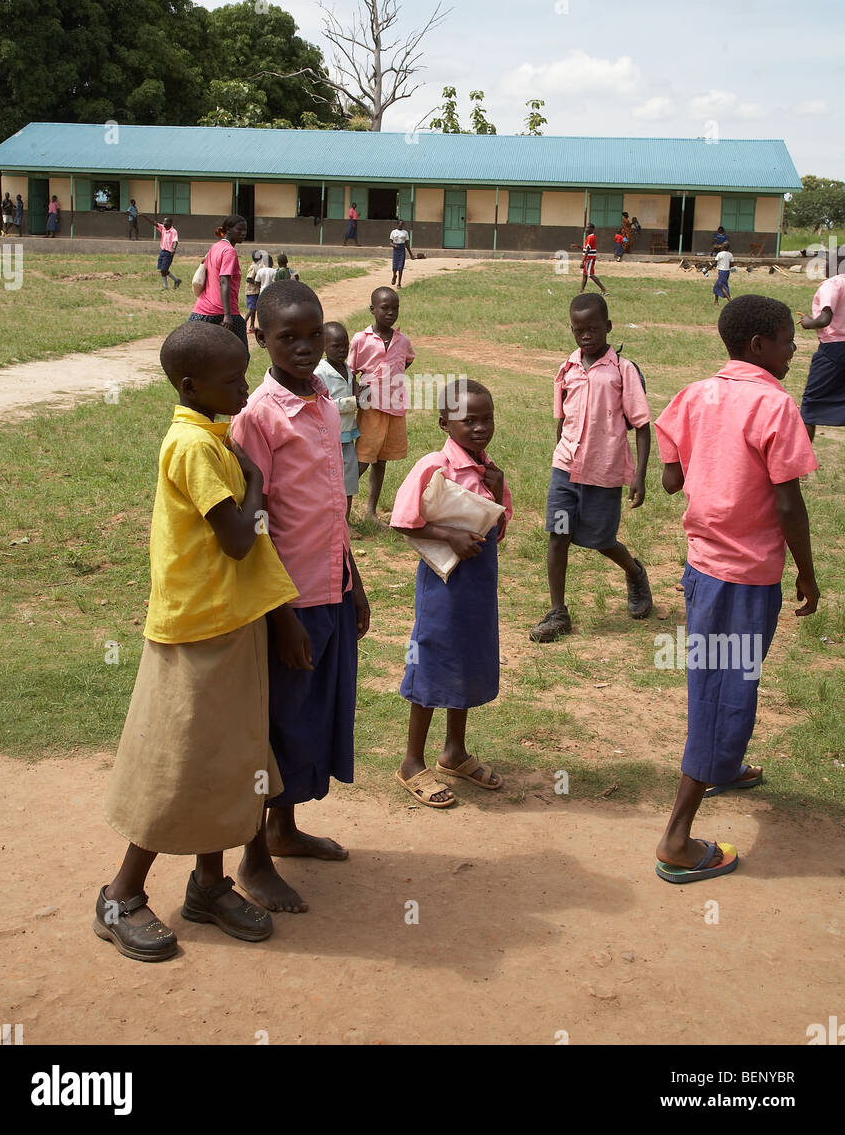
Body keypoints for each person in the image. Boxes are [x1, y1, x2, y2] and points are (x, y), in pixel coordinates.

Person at [96, 321, 300, 961]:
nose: (244, 386)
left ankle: (209, 885)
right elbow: (240, 538)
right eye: (232, 379)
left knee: (229, 759)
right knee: (180, 764)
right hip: (196, 630)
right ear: (190, 386)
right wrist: (258, 478)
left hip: (231, 621)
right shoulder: (193, 447)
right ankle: (120, 892)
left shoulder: (213, 437)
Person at [653, 295, 819, 883]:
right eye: (785, 338)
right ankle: (676, 838)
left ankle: (723, 765)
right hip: (744, 578)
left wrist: (692, 470)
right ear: (759, 346)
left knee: (720, 683)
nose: (795, 347)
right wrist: (807, 568)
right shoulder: (775, 406)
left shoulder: (697, 393)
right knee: (724, 694)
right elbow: (786, 500)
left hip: (703, 570)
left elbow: (671, 473)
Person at [230, 280, 371, 914]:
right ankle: (254, 858)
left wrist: (354, 578)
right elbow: (256, 522)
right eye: (288, 337)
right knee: (280, 726)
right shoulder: (257, 416)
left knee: (315, 718)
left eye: (314, 334)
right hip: (288, 603)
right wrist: (282, 614)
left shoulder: (324, 399)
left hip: (330, 588)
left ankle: (285, 831)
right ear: (260, 337)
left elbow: (330, 507)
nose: (305, 347)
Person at [391, 379, 512, 807]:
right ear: (445, 423)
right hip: (443, 584)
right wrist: (449, 536)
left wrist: (497, 490)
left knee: (467, 660)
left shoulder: (490, 469)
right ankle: (411, 761)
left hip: (478, 585)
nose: (480, 428)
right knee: (433, 660)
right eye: (469, 420)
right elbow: (405, 520)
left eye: (487, 419)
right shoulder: (433, 467)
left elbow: (499, 525)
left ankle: (455, 752)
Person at [530, 294, 652, 641]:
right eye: (578, 329)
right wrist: (559, 457)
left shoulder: (622, 370)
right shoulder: (566, 369)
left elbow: (641, 425)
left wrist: (639, 475)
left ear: (608, 327)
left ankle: (634, 571)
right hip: (566, 469)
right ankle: (558, 612)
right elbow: (563, 419)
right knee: (559, 534)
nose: (586, 335)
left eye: (593, 328)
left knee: (600, 539)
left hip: (604, 472)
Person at [349, 286, 416, 519]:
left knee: (382, 459)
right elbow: (350, 371)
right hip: (371, 408)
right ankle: (337, 503)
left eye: (395, 308)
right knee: (363, 459)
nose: (391, 313)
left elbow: (407, 361)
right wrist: (360, 392)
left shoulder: (403, 340)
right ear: (372, 309)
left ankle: (370, 511)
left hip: (395, 408)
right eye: (385, 308)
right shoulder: (361, 339)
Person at [314, 321, 360, 518]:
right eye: (336, 346)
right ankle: (330, 520)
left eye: (345, 346)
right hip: (330, 437)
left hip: (348, 434)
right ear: (323, 347)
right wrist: (354, 402)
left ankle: (345, 523)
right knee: (329, 482)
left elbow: (352, 386)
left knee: (348, 481)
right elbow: (324, 403)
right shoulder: (320, 372)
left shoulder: (346, 367)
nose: (342, 350)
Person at [798, 259, 845, 442]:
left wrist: (808, 322)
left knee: (810, 405)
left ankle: (801, 463)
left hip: (833, 349)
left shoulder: (832, 284)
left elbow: (825, 319)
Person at [190, 215, 247, 352]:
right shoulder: (229, 251)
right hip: (222, 313)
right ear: (228, 229)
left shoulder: (214, 247)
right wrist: (227, 316)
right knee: (242, 356)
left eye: (245, 230)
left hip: (200, 311)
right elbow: (224, 281)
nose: (243, 233)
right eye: (239, 229)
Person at [153, 215, 182, 290]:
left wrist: (174, 249)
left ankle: (166, 286)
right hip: (162, 251)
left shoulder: (173, 231)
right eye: (163, 221)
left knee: (164, 270)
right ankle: (176, 280)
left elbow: (175, 241)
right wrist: (144, 217)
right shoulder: (163, 228)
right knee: (163, 270)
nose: (164, 223)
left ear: (170, 223)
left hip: (169, 253)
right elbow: (154, 224)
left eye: (165, 221)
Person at [579, 222, 607, 295]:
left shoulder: (590, 237)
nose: (586, 229)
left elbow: (588, 250)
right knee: (585, 275)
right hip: (588, 258)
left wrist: (583, 261)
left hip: (589, 259)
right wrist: (578, 246)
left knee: (590, 274)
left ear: (592, 229)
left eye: (588, 228)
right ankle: (581, 291)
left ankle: (603, 289)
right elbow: (586, 248)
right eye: (586, 227)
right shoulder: (590, 237)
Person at [389, 219, 414, 287]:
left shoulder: (405, 232)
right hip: (395, 250)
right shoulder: (393, 232)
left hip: (402, 250)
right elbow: (390, 243)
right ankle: (394, 276)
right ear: (397, 224)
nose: (401, 225)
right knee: (394, 267)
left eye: (402, 224)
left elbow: (407, 244)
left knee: (400, 267)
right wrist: (394, 245)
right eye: (399, 224)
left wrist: (411, 254)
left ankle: (399, 283)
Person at [245, 251, 263, 335]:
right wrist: (256, 283)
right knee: (251, 309)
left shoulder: (257, 266)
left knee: (254, 309)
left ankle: (251, 326)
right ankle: (243, 323)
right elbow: (248, 278)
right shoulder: (253, 267)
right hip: (251, 291)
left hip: (255, 291)